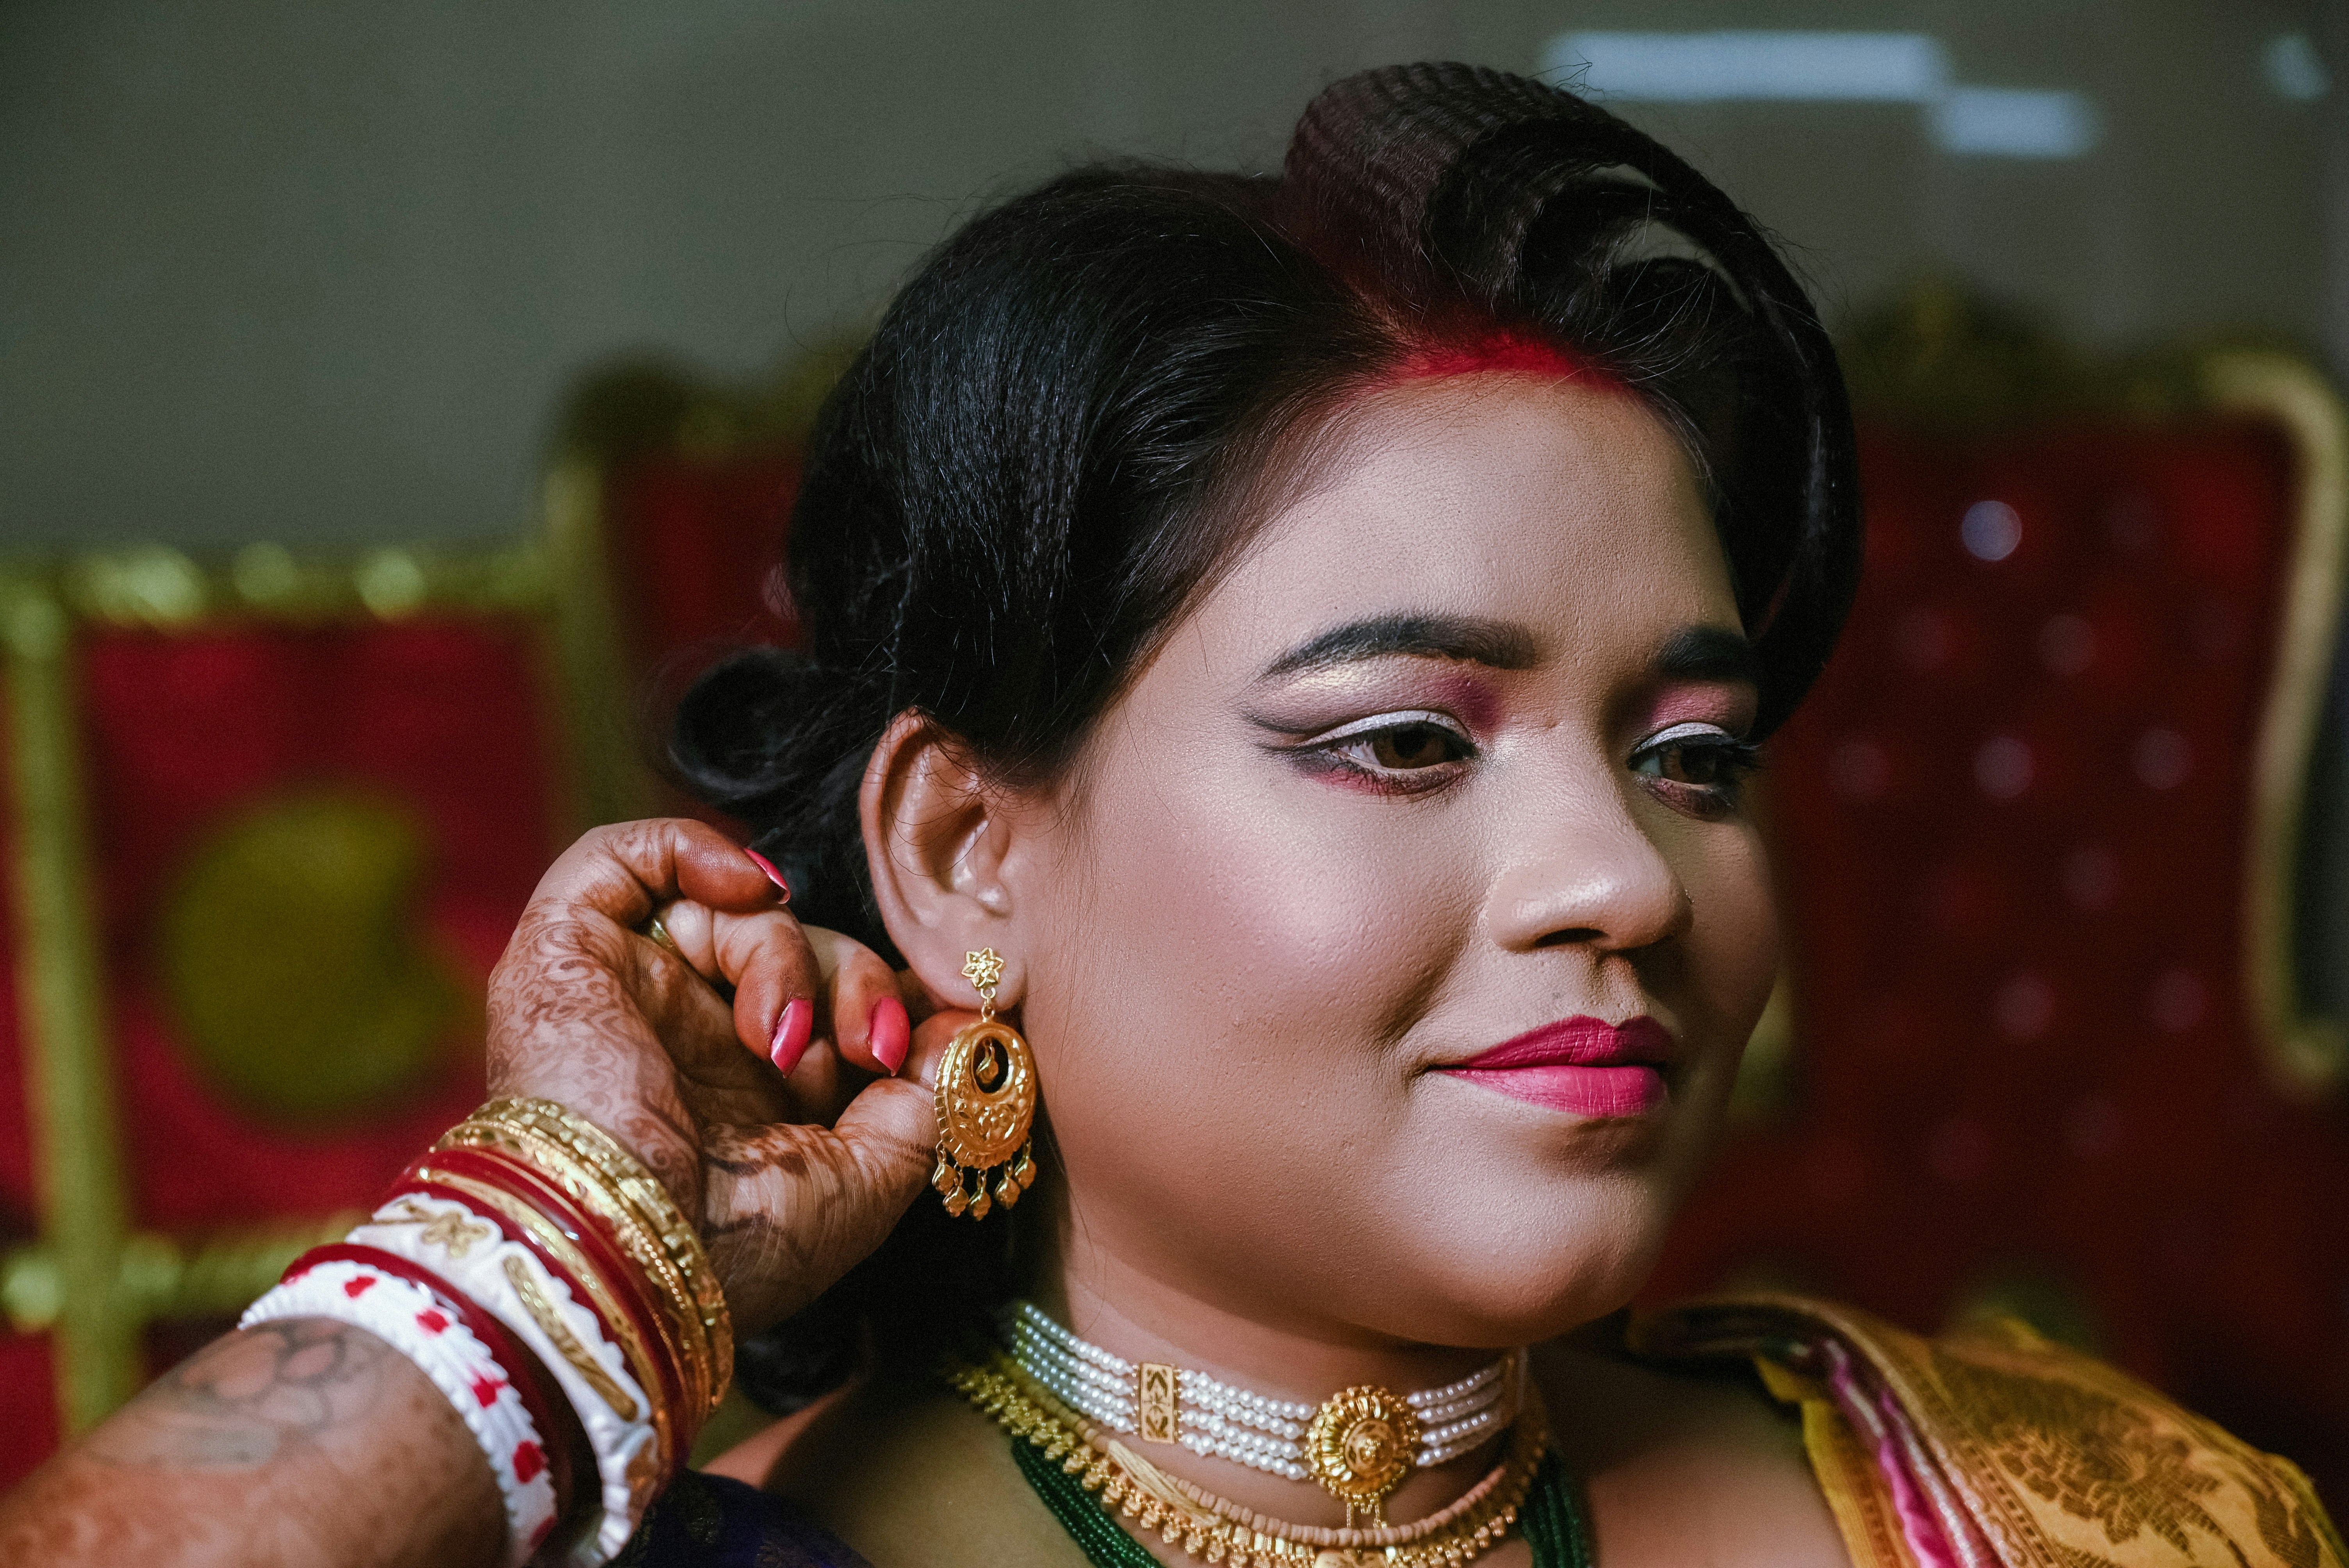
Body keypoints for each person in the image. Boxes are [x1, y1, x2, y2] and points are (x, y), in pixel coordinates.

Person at [0, 62, 2337, 1568]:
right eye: (1409, 737)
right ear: (963, 858)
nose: (1629, 879)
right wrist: (587, 1245)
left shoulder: (2056, 1509)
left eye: (1692, 755)